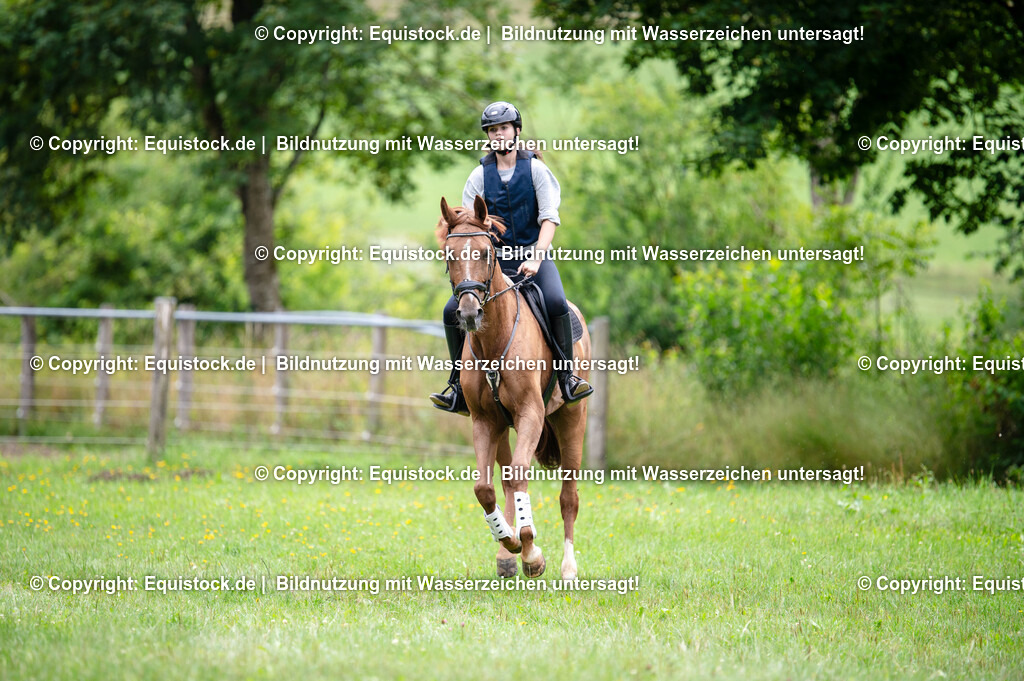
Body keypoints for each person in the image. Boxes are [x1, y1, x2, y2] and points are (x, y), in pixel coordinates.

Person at [431, 101, 594, 415]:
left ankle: (567, 377)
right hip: (491, 264)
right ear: (488, 136)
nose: (498, 134)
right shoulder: (479, 175)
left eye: (503, 128)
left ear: (516, 131)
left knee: (557, 302)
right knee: (451, 308)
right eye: (493, 130)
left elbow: (549, 219)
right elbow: (469, 227)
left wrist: (536, 256)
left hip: (534, 259)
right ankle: (457, 385)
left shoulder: (536, 170)